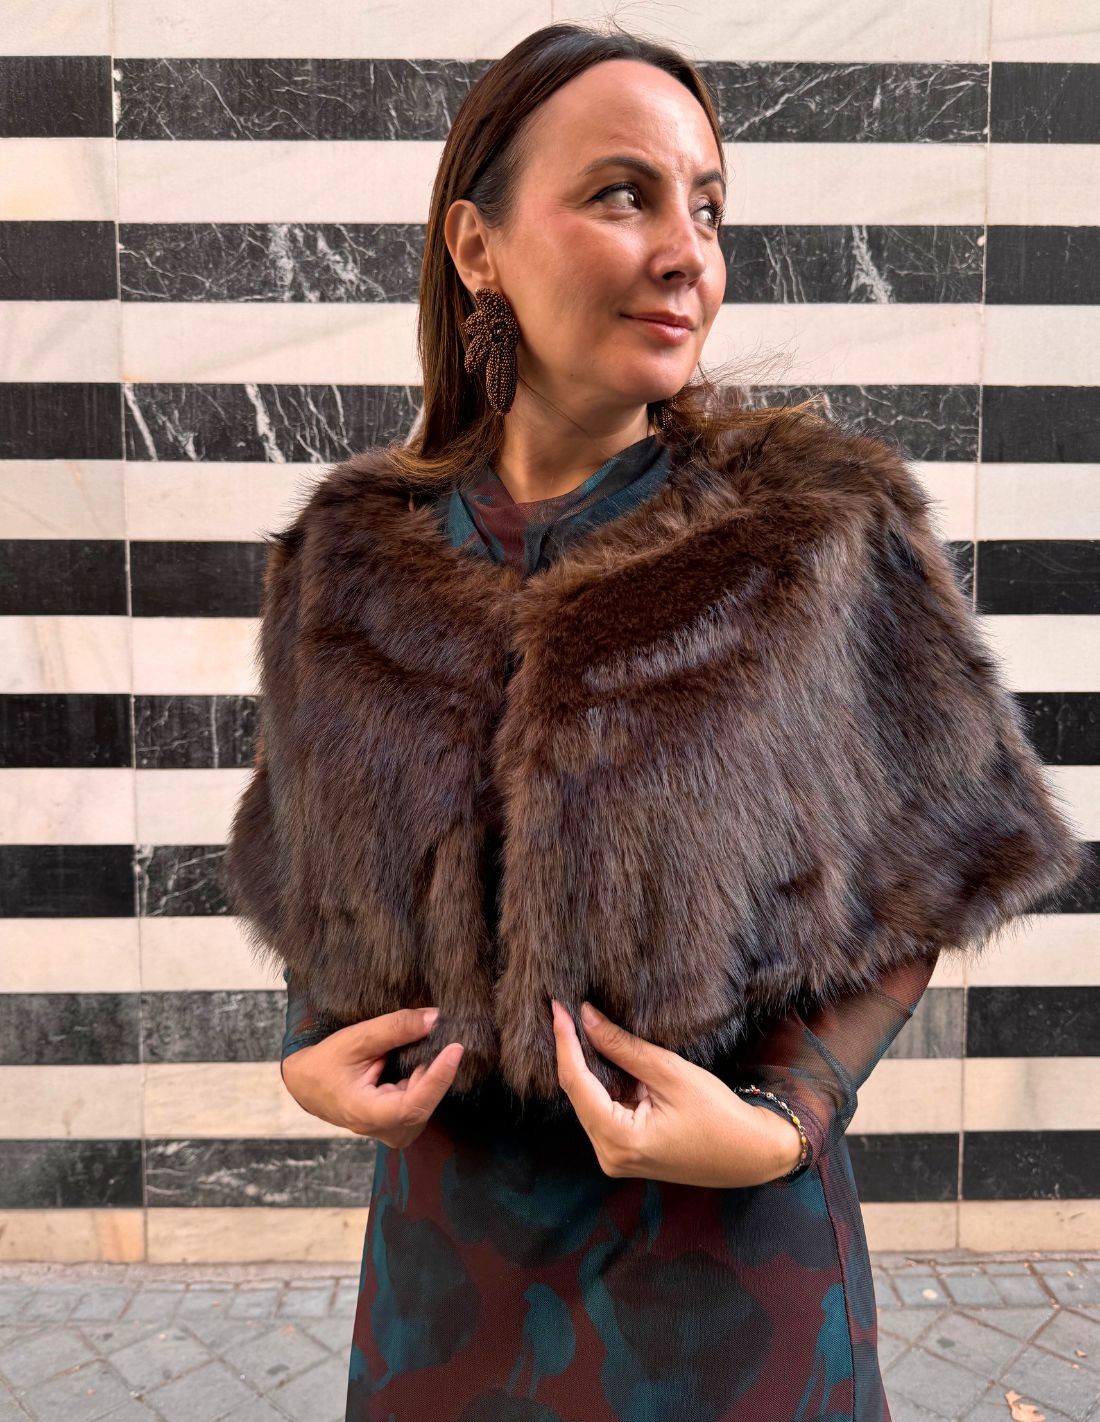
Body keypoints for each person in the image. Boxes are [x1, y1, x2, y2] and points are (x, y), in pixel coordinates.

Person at [223, 22, 1084, 1422]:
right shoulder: (347, 560)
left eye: (709, 206)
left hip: (724, 1296)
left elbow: (945, 860)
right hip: (449, 1286)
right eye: (625, 194)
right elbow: (317, 874)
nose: (689, 252)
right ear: (477, 245)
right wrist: (313, 1048)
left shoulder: (811, 535)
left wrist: (783, 1116)